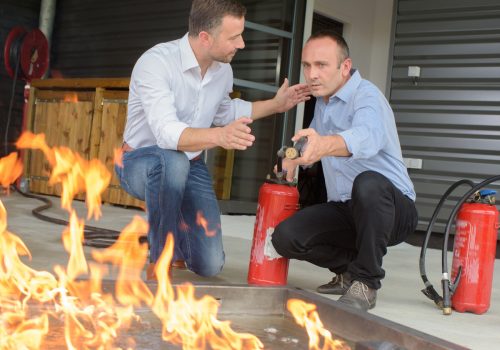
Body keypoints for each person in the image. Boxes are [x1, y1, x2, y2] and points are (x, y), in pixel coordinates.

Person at [116, 0, 310, 280]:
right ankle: (159, 260)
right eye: (234, 37)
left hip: (188, 166)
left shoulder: (222, 71)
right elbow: (167, 134)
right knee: (171, 160)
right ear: (205, 38)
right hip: (138, 163)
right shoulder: (156, 63)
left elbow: (225, 112)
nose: (241, 44)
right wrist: (220, 136)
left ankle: (179, 238)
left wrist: (276, 104)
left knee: (210, 264)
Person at [271, 30, 418, 311]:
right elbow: (307, 144)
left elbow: (367, 136)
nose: (312, 74)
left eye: (321, 65)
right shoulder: (324, 103)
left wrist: (325, 145)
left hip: (391, 209)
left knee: (369, 183)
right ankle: (349, 270)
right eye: (307, 65)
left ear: (345, 67)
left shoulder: (367, 97)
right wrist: (290, 157)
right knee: (286, 238)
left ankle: (366, 282)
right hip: (347, 208)